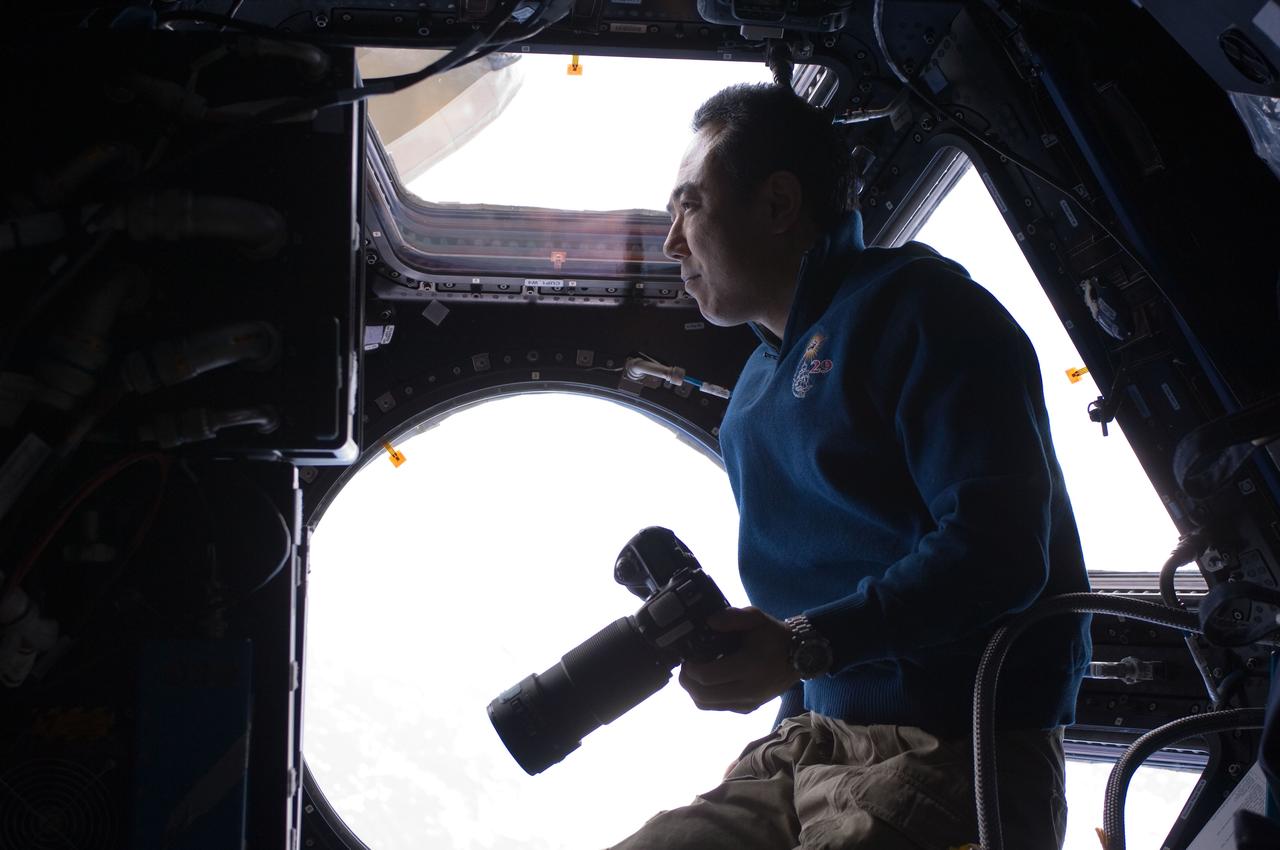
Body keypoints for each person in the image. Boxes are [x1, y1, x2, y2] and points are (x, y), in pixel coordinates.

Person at [608, 83, 1091, 849]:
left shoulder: (922, 308)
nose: (672, 243)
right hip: (808, 744)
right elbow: (812, 617)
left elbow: (1001, 552)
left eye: (689, 207)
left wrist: (801, 646)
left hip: (958, 745)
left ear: (777, 203)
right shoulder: (751, 401)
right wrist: (783, 681)